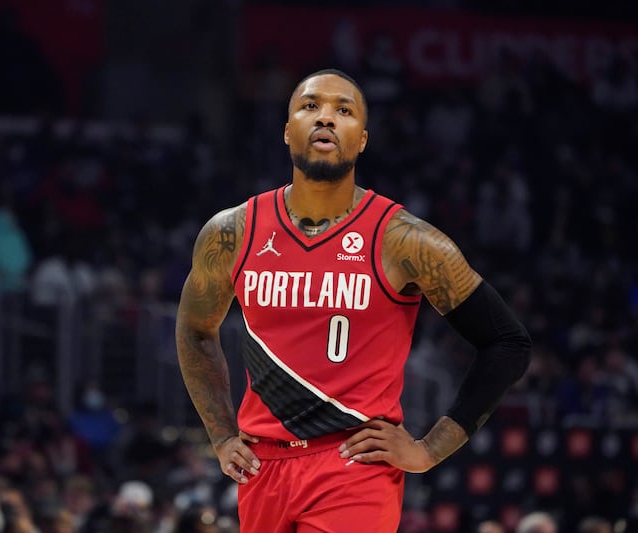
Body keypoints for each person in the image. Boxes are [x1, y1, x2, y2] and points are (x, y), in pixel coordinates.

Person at [175, 68, 532, 532]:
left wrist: (429, 449)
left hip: (353, 466)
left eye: (343, 110)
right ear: (287, 132)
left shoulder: (405, 240)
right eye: (310, 106)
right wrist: (222, 434)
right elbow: (195, 329)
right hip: (262, 468)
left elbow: (508, 341)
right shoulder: (232, 231)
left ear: (362, 140)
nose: (326, 117)